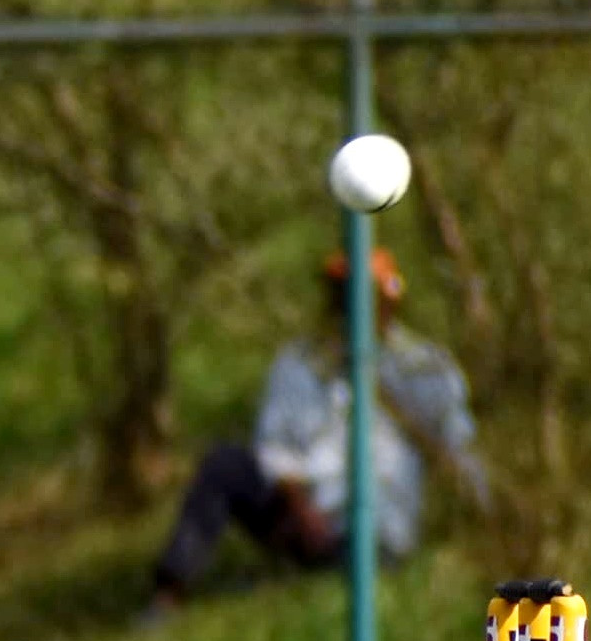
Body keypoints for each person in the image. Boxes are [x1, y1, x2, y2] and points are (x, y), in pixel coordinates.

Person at [147, 249, 489, 616]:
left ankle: (289, 582)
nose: (350, 307)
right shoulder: (300, 362)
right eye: (343, 296)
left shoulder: (424, 367)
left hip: (377, 532)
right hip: (305, 515)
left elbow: (459, 447)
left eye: (363, 296)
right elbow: (274, 445)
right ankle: (169, 596)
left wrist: (484, 517)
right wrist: (299, 506)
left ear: (389, 302)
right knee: (224, 465)